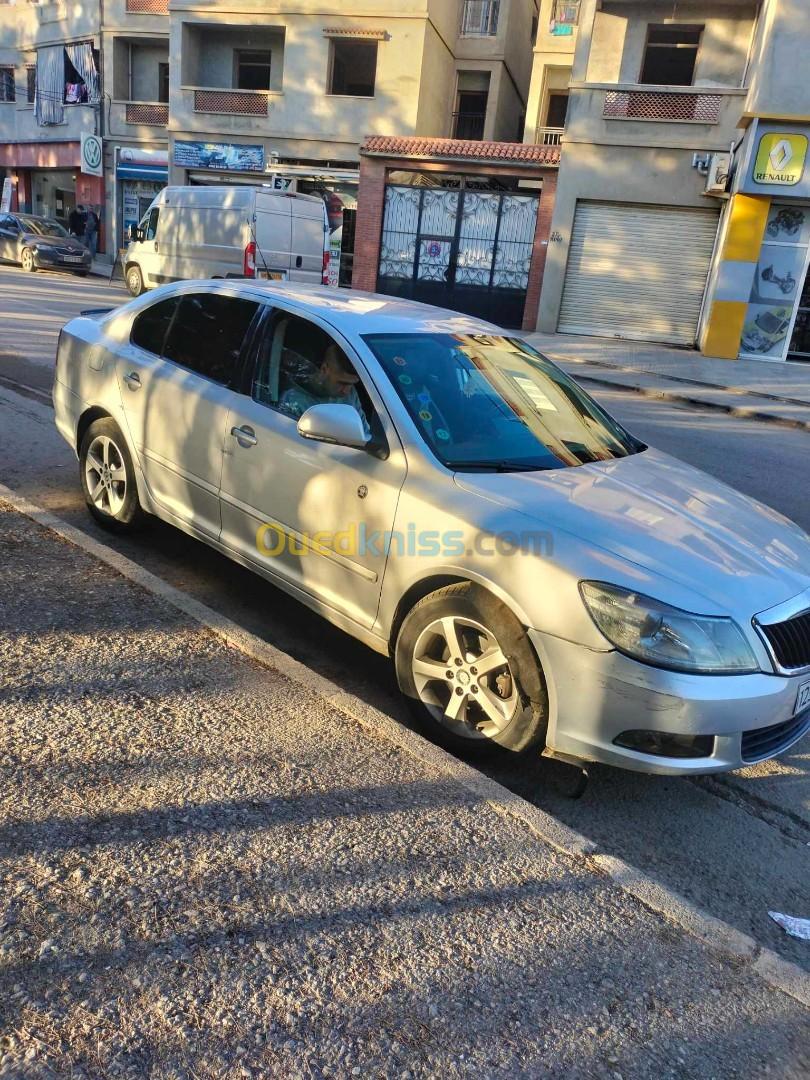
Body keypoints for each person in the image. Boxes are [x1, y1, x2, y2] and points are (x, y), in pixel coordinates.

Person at [279, 343, 371, 437]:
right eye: (342, 383)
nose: (346, 391)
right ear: (324, 369)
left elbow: (364, 434)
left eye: (351, 384)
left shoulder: (351, 393)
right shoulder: (294, 400)